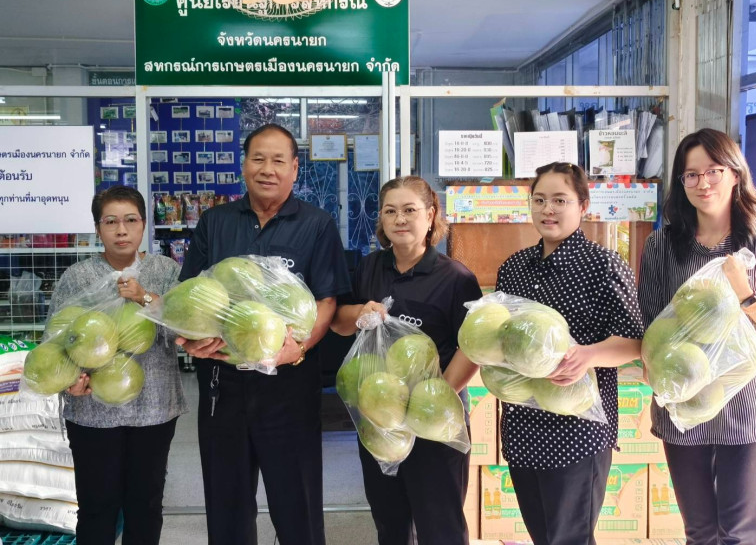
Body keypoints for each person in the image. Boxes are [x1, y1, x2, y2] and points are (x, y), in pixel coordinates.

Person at [176, 123, 351, 545]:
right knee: (227, 506)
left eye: (278, 160)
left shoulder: (317, 224)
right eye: (258, 158)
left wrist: (298, 348)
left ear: (295, 169)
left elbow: (327, 299)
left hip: (289, 386)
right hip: (223, 385)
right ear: (243, 166)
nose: (267, 169)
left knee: (297, 504)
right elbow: (191, 294)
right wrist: (190, 337)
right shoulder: (215, 222)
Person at [637, 128, 756, 545]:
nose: (703, 182)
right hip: (684, 402)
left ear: (735, 174)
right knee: (699, 532)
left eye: (714, 171)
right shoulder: (661, 246)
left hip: (747, 409)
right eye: (691, 174)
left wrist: (745, 293)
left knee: (739, 535)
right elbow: (650, 326)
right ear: (681, 182)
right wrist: (653, 369)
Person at [495, 162, 643, 545]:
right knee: (542, 536)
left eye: (560, 200)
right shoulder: (514, 268)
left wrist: (589, 355)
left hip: (576, 431)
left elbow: (634, 343)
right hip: (523, 425)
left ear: (583, 206)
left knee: (570, 538)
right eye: (539, 200)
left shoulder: (603, 265)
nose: (548, 209)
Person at [330, 175, 483, 545]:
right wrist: (360, 313)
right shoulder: (369, 267)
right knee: (390, 523)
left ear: (430, 216)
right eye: (390, 211)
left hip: (434, 421)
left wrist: (432, 399)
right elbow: (338, 321)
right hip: (380, 417)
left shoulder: (456, 277)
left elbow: (473, 347)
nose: (399, 219)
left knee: (441, 527)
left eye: (410, 210)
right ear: (381, 219)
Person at [50, 185, 188, 545]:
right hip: (92, 412)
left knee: (146, 505)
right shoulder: (77, 277)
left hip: (154, 409)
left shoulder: (165, 271)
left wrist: (145, 297)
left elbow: (183, 330)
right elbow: (57, 340)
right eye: (110, 222)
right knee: (97, 506)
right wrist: (70, 381)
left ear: (144, 224)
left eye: (130, 220)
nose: (121, 230)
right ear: (98, 228)